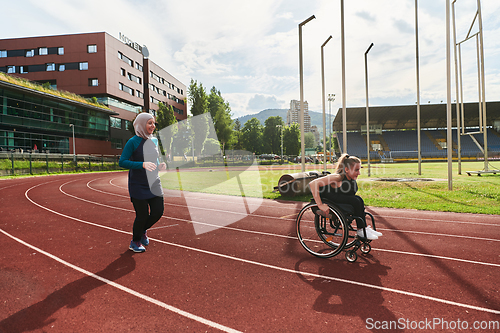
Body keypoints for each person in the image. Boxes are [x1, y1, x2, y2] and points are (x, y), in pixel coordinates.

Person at [119, 112, 166, 252]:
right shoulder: (132, 142)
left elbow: (155, 159)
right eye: (149, 123)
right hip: (138, 184)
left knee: (158, 211)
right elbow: (122, 162)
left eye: (153, 123)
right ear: (141, 124)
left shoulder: (154, 141)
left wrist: (159, 165)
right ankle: (135, 241)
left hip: (154, 182)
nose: (153, 126)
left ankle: (142, 230)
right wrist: (142, 164)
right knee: (142, 215)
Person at [308, 153, 382, 240]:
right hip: (330, 199)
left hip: (339, 198)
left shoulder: (350, 178)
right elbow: (313, 183)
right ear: (346, 169)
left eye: (359, 170)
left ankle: (363, 228)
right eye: (356, 170)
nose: (359, 173)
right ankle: (360, 230)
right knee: (356, 200)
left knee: (358, 200)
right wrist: (320, 205)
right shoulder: (338, 177)